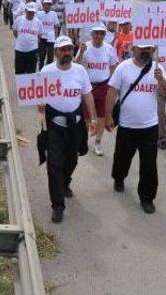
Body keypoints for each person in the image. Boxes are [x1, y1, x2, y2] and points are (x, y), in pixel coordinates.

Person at [105, 43, 166, 214]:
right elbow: (112, 91)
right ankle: (119, 177)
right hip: (127, 126)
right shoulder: (123, 68)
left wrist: (161, 80)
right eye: (142, 48)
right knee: (122, 158)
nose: (146, 51)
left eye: (149, 48)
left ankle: (147, 198)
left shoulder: (158, 68)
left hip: (150, 126)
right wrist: (108, 115)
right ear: (134, 48)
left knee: (149, 164)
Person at [39, 35, 98, 223]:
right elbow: (38, 97)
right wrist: (40, 106)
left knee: (72, 159)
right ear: (55, 52)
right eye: (63, 50)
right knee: (54, 164)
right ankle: (57, 205)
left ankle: (65, 182)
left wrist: (94, 118)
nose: (67, 53)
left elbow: (87, 95)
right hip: (55, 126)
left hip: (76, 125)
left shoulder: (80, 71)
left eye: (69, 49)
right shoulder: (46, 70)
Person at [75, 24, 119, 156]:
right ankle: (83, 139)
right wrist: (81, 52)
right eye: (96, 33)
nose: (99, 36)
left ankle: (98, 143)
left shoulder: (109, 49)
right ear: (92, 34)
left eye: (102, 33)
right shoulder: (85, 47)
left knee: (102, 117)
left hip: (103, 87)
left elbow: (113, 66)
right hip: (87, 88)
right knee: (86, 117)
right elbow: (76, 65)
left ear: (104, 35)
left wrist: (111, 84)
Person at [12, 2, 43, 74]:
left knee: (31, 72)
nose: (30, 13)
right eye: (29, 11)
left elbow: (40, 35)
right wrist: (21, 40)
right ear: (26, 10)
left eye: (32, 12)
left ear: (34, 12)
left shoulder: (38, 22)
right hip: (20, 49)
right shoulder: (19, 20)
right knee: (19, 71)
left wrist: (33, 42)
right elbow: (15, 32)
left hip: (32, 50)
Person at [36, 0, 60, 70]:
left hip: (51, 38)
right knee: (42, 56)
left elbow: (56, 26)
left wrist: (56, 37)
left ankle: (48, 71)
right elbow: (36, 26)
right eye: (46, 4)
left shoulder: (54, 14)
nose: (47, 6)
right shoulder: (39, 14)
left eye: (49, 4)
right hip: (42, 38)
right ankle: (41, 70)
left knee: (50, 56)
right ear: (43, 5)